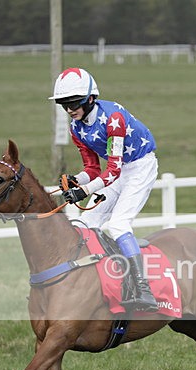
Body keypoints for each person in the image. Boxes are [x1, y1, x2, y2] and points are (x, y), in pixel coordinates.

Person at [49, 67, 158, 312]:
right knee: (84, 224)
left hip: (139, 167)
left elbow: (114, 170)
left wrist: (85, 191)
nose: (69, 109)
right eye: (63, 104)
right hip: (115, 170)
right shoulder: (75, 127)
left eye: (73, 103)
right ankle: (96, 282)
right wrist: (75, 180)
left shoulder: (113, 119)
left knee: (118, 224)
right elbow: (92, 168)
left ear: (90, 98)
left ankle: (143, 289)